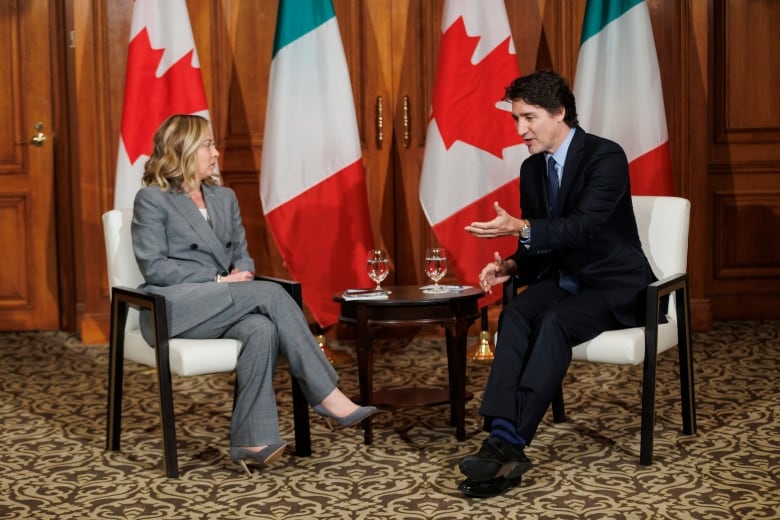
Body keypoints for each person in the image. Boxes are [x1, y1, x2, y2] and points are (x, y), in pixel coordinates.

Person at [131, 114, 377, 476]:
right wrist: (217, 279)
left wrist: (234, 277)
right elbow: (154, 267)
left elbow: (241, 255)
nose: (216, 153)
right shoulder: (152, 200)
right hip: (172, 307)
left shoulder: (224, 197)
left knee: (261, 329)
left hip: (223, 303)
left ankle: (253, 439)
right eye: (208, 145)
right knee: (274, 296)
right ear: (183, 150)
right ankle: (326, 394)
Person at [458, 70, 657, 498]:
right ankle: (500, 437)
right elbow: (541, 244)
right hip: (566, 278)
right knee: (514, 315)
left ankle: (508, 445)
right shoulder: (532, 169)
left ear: (560, 112)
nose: (519, 130)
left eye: (528, 118)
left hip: (614, 284)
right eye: (515, 119)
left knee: (554, 322)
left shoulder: (605, 156)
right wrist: (512, 265)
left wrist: (522, 226)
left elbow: (583, 228)